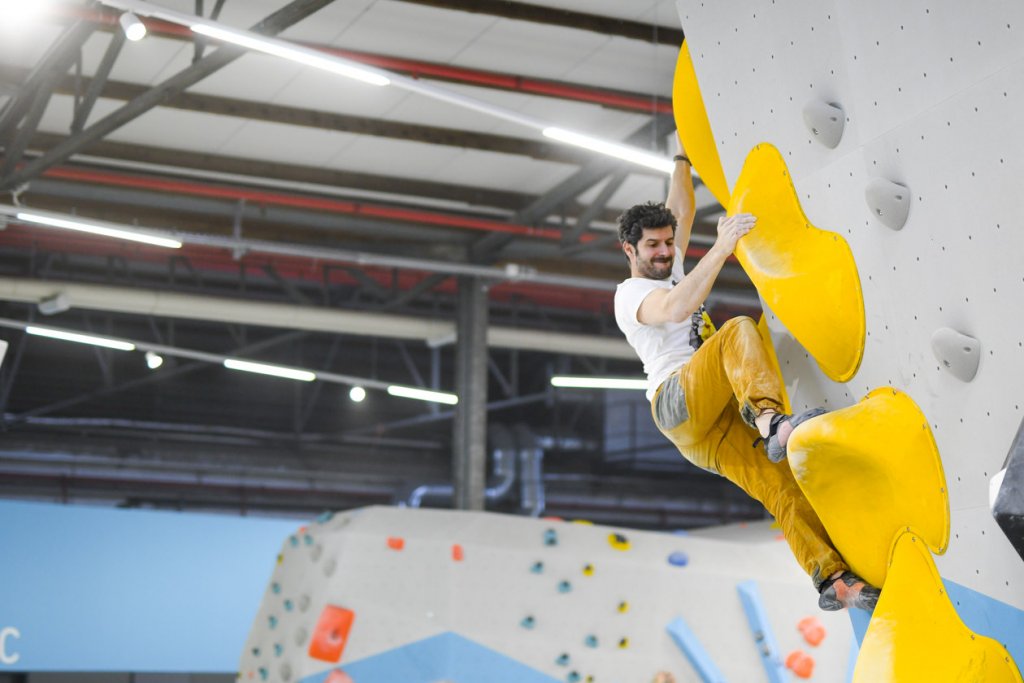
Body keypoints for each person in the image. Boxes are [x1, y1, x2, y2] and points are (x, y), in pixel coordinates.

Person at [612, 149, 879, 612]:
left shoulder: (671, 263)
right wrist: (721, 247)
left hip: (710, 421)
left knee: (779, 484)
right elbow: (674, 309)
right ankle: (772, 421)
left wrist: (681, 158)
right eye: (652, 247)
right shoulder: (631, 293)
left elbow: (682, 207)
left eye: (667, 243)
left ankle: (832, 580)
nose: (663, 253)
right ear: (629, 249)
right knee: (738, 330)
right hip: (678, 403)